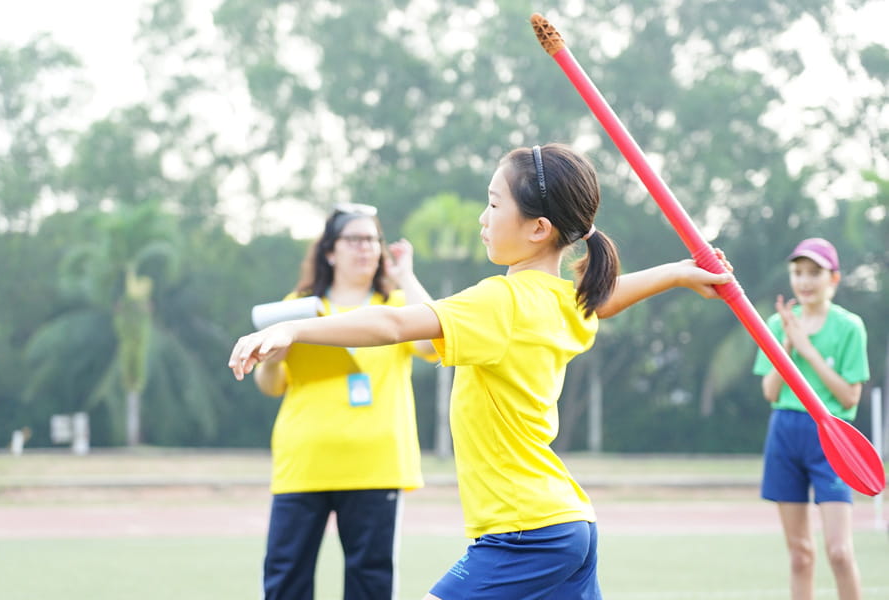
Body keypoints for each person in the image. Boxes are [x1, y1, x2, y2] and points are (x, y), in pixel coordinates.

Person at [230, 143, 733, 600]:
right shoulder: (563, 300)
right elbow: (604, 298)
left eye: (494, 204)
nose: (482, 218)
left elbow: (394, 323)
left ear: (539, 228)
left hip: (524, 534)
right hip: (566, 525)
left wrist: (296, 330)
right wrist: (679, 272)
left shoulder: (500, 301)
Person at [251, 202, 438, 600]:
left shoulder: (396, 308)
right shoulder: (298, 309)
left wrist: (406, 277)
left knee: (370, 584)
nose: (365, 248)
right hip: (304, 464)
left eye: (372, 239)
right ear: (330, 251)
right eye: (354, 239)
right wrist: (272, 362)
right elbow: (271, 385)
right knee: (285, 580)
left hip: (376, 466)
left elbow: (432, 344)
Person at [752, 237, 869, 600]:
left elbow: (849, 395)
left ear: (833, 278)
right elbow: (770, 392)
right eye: (798, 272)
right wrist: (787, 343)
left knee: (839, 551)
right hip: (785, 434)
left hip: (832, 437)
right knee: (801, 554)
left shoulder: (850, 327)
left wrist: (806, 348)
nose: (804, 281)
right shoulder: (777, 323)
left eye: (814, 273)